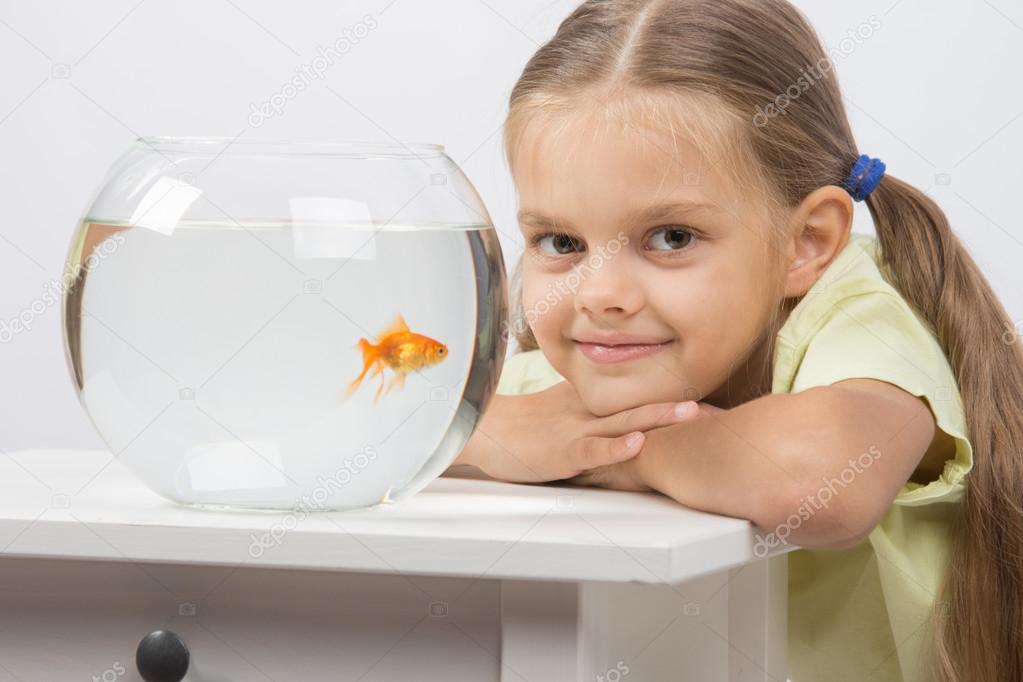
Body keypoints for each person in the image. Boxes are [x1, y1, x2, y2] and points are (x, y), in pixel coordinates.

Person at [448, 1, 1023, 680]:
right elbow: (368, 424)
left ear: (804, 244)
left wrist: (612, 452)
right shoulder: (585, 373)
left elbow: (818, 483)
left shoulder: (855, 311)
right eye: (560, 242)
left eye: (671, 238)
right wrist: (500, 434)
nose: (599, 293)